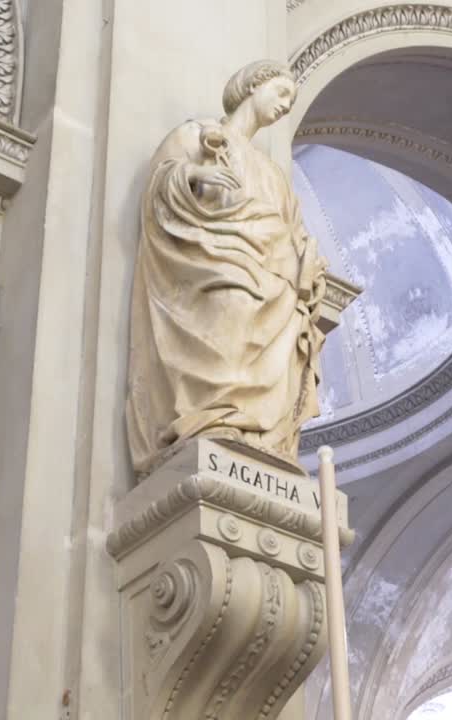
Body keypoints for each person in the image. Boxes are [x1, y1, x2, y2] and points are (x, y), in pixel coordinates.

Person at [126, 59, 328, 475]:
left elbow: (294, 231)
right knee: (229, 313)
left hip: (276, 282)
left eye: (290, 102)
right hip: (221, 261)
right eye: (281, 93)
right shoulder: (196, 135)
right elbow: (162, 183)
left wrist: (310, 262)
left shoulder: (273, 172)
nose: (285, 107)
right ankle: (214, 419)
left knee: (280, 344)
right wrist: (195, 176)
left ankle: (258, 435)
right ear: (253, 85)